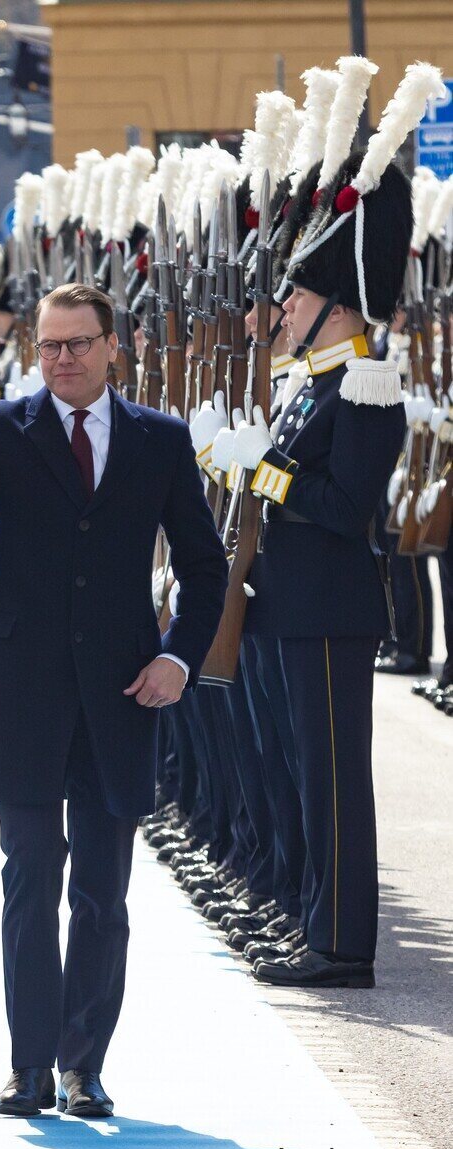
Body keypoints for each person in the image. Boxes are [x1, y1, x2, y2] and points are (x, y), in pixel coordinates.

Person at [0, 284, 227, 1118]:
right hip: (18, 687)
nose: (63, 358)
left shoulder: (160, 441)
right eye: (50, 345)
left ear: (112, 347)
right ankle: (28, 1066)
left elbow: (205, 568)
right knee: (29, 875)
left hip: (121, 691)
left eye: (79, 344)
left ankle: (82, 1066)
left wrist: (178, 658)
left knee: (102, 888)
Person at [227, 129, 414, 988]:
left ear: (336, 304)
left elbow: (345, 510)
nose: (287, 309)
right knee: (303, 776)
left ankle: (341, 945)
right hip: (292, 607)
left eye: (298, 296)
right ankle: (312, 924)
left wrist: (262, 469)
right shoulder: (315, 384)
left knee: (335, 784)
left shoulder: (365, 385)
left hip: (330, 611)